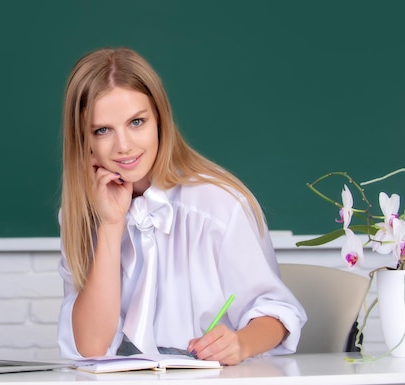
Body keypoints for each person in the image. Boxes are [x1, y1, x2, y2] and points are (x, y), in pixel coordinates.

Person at [57, 47, 306, 365]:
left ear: (160, 119)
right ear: (84, 140)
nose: (124, 146)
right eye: (102, 130)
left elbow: (277, 313)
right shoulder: (80, 214)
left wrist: (240, 343)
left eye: (137, 122)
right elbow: (91, 345)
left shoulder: (217, 205)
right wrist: (110, 225)